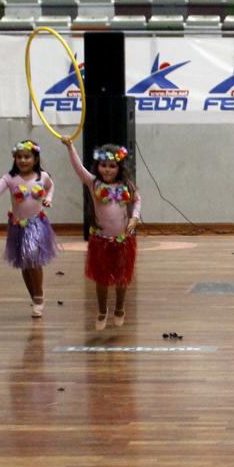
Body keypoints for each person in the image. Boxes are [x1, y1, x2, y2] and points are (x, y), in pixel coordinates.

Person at [63, 138, 140, 329]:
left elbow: (137, 200)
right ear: (98, 166)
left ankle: (120, 308)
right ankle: (102, 310)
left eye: (112, 166)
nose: (107, 170)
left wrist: (134, 218)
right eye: (104, 165)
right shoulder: (94, 183)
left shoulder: (126, 185)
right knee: (101, 278)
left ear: (119, 167)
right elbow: (79, 168)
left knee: (122, 276)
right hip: (101, 240)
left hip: (123, 240)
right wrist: (70, 147)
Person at [0, 140, 57, 318]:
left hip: (36, 224)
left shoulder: (42, 177)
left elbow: (51, 187)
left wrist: (49, 199)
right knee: (24, 263)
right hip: (18, 226)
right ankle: (34, 297)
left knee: (34, 260)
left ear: (35, 159)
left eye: (27, 157)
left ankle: (39, 296)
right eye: (19, 157)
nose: (23, 160)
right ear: (14, 158)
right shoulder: (10, 178)